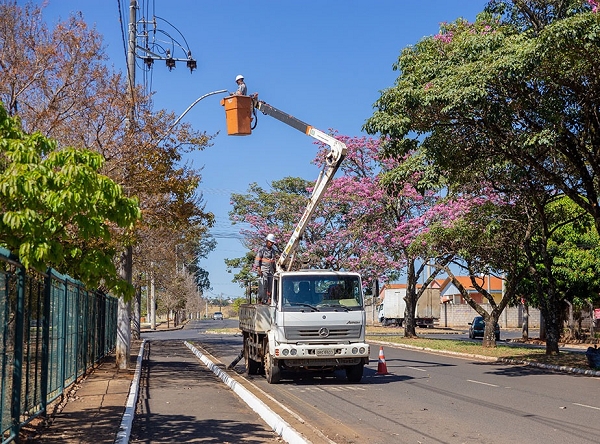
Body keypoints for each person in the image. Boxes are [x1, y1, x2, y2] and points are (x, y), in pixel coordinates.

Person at [254, 233, 277, 303]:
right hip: (264, 269)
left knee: (270, 285)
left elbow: (273, 261)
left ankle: (269, 298)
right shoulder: (262, 249)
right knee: (264, 284)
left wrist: (275, 269)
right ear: (267, 241)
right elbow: (258, 258)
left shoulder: (273, 251)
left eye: (272, 243)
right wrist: (258, 268)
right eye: (270, 242)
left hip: (271, 270)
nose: (271, 244)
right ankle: (262, 298)